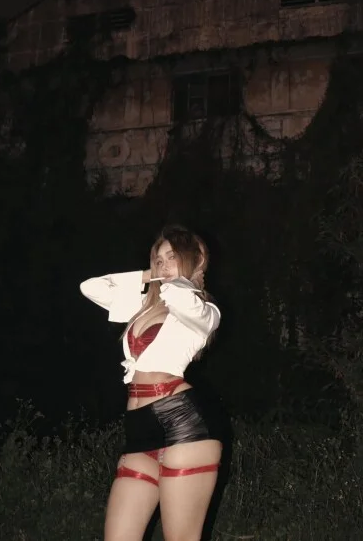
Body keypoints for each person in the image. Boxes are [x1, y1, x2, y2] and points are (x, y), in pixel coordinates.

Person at [80, 225, 222, 541]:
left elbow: (182, 298)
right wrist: (148, 275)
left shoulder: (204, 313)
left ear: (195, 261)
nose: (163, 264)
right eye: (158, 259)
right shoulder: (142, 306)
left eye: (173, 257)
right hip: (138, 429)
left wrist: (183, 276)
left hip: (182, 425)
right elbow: (91, 287)